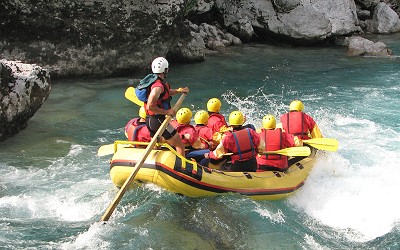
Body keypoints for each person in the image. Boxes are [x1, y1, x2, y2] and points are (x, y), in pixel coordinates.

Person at [144, 57, 189, 157]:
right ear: (165, 70)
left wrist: (179, 91)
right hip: (158, 121)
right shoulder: (158, 86)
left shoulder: (153, 82)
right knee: (180, 146)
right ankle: (182, 169)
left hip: (150, 120)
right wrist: (167, 112)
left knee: (157, 144)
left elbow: (165, 93)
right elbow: (150, 106)